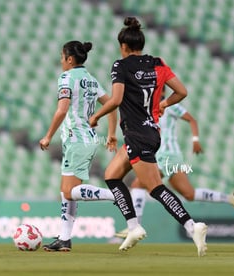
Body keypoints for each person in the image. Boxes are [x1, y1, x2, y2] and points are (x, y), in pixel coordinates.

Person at [89, 17, 208, 256]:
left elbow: (117, 100)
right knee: (111, 176)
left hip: (136, 134)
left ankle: (192, 226)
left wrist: (96, 117)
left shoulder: (120, 66)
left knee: (155, 188)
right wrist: (164, 102)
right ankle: (133, 227)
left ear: (123, 46)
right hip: (151, 132)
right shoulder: (157, 63)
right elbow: (182, 91)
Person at [115, 97, 234, 239]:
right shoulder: (147, 107)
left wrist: (195, 140)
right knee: (189, 194)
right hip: (163, 155)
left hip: (168, 155)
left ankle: (135, 227)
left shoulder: (170, 105)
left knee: (138, 184)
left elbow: (191, 120)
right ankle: (230, 198)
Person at [39, 40, 116, 252]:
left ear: (69, 59)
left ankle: (115, 195)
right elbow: (112, 105)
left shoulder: (66, 78)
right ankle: (64, 238)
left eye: (62, 57)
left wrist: (47, 136)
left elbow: (62, 110)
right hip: (88, 139)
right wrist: (111, 134)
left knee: (69, 190)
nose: (60, 60)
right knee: (67, 191)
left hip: (76, 140)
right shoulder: (91, 80)